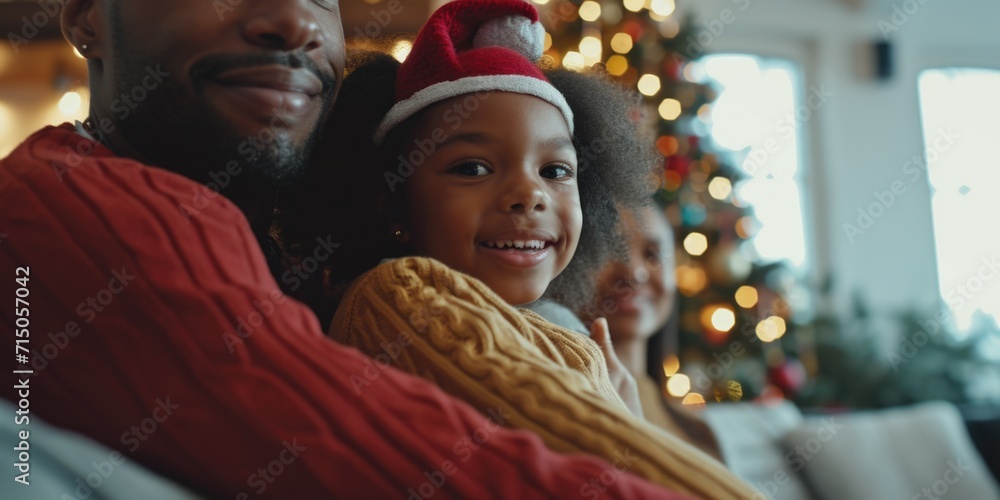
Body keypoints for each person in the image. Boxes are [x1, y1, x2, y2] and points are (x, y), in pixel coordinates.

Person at [0, 0, 687, 497]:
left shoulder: (285, 261)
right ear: (87, 16)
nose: (295, 22)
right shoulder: (72, 213)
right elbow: (364, 445)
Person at [277, 1, 757, 497]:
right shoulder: (394, 297)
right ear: (393, 206)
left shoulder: (555, 321)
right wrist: (624, 424)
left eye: (555, 171)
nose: (530, 195)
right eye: (473, 168)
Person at [583, 204, 726, 461]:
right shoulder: (574, 408)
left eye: (652, 255)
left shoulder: (699, 432)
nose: (634, 272)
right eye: (610, 250)